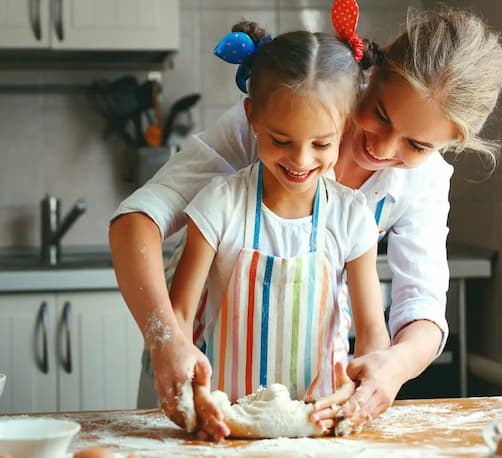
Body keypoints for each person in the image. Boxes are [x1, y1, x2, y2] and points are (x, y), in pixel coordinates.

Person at [109, 1, 502, 439]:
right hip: (197, 375)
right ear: (372, 74)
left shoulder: (423, 183)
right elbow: (139, 219)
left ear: (448, 145)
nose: (383, 148)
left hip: (311, 401)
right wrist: (167, 340)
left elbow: (422, 305)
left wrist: (392, 368)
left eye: (416, 145)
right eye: (379, 113)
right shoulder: (275, 121)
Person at [164, 18, 390, 440]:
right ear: (252, 116)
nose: (301, 160)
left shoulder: (351, 217)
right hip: (227, 426)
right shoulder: (220, 206)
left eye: (321, 144)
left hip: (321, 425)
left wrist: (361, 389)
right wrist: (193, 391)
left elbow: (373, 333)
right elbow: (177, 318)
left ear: (346, 128)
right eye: (281, 140)